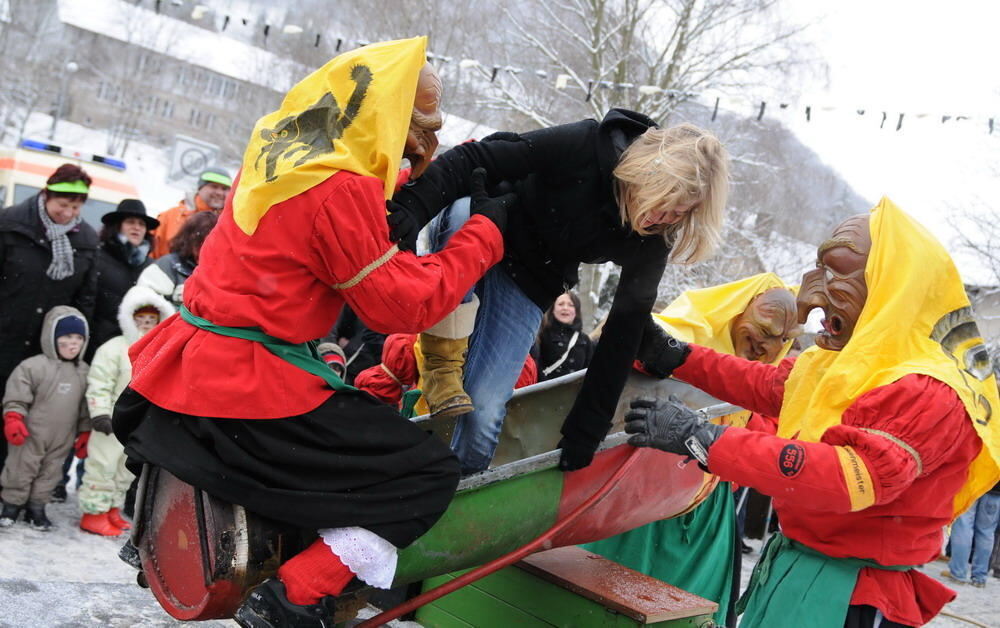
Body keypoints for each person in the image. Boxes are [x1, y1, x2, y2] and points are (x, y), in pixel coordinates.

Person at [112, 38, 514, 627]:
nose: (422, 140)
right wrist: (484, 235)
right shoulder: (340, 187)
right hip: (247, 383)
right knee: (425, 475)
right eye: (418, 124)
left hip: (192, 358)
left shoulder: (282, 150)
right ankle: (295, 597)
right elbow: (403, 306)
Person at [625, 198, 1000, 628]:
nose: (809, 295)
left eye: (838, 270)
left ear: (892, 286)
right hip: (802, 563)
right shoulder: (855, 361)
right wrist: (677, 355)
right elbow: (770, 387)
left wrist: (706, 439)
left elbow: (849, 476)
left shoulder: (927, 387)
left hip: (848, 592)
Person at [388, 112, 729, 474]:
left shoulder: (655, 238)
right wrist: (412, 207)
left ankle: (448, 498)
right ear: (646, 174)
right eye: (662, 203)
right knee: (460, 214)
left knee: (484, 411)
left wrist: (588, 428)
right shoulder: (584, 144)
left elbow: (624, 329)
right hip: (484, 214)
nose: (661, 218)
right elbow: (478, 158)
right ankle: (442, 362)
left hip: (530, 277)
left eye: (678, 214)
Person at [584, 273, 799, 627]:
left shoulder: (768, 381)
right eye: (763, 328)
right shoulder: (677, 337)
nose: (769, 345)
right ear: (737, 312)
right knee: (606, 598)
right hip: (637, 496)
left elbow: (773, 435)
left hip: (706, 511)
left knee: (689, 607)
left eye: (784, 339)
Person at [0, 164, 98, 473]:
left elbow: (85, 299)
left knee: (28, 421)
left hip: (44, 353)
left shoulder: (85, 240)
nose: (68, 213)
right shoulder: (10, 224)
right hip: (4, 336)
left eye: (76, 206)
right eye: (62, 205)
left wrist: (72, 348)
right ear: (46, 195)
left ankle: (11, 489)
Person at [79, 286, 173, 536]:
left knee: (124, 470)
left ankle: (112, 509)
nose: (145, 324)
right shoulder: (113, 348)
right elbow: (99, 382)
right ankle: (93, 512)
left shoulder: (158, 350)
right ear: (129, 320)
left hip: (137, 424)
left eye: (151, 320)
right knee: (103, 466)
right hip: (109, 421)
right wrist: (99, 414)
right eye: (140, 320)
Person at [0, 307, 90, 531]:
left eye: (79, 337)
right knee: (20, 468)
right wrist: (13, 418)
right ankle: (11, 505)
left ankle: (37, 507)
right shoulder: (33, 366)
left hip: (63, 437)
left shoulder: (84, 371)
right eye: (67, 337)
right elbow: (16, 396)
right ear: (52, 338)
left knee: (51, 472)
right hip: (30, 433)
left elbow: (86, 406)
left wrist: (86, 431)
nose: (73, 343)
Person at [354, 333, 538, 415]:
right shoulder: (413, 344)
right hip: (427, 425)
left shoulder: (514, 358)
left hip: (477, 431)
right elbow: (382, 384)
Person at [89, 199, 159, 359]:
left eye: (142, 224)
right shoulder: (98, 257)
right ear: (117, 226)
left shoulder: (151, 266)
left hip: (136, 349)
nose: (137, 227)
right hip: (100, 345)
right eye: (130, 222)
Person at [136, 210, 217, 309]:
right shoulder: (167, 265)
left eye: (213, 244)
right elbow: (144, 306)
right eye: (201, 242)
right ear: (190, 240)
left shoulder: (221, 273)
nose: (206, 249)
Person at [149, 167, 231, 259]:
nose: (219, 192)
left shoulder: (231, 224)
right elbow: (150, 253)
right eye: (214, 186)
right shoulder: (170, 217)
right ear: (200, 188)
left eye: (224, 189)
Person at [943, 481, 1000, 587]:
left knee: (962, 527)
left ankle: (958, 573)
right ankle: (980, 578)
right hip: (995, 486)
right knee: (986, 532)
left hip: (972, 482)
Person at [533, 291, 594, 381]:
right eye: (561, 304)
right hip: (544, 390)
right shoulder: (542, 334)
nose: (565, 308)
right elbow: (535, 365)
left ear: (576, 311)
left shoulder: (585, 340)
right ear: (553, 309)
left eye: (571, 305)